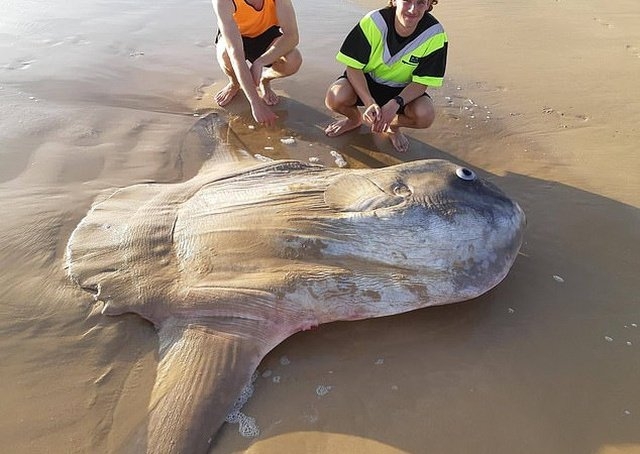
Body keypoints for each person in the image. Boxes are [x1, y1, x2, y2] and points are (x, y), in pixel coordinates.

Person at [324, 0, 447, 152]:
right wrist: (369, 102)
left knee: (425, 115)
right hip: (366, 82)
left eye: (421, 2)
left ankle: (391, 127)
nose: (413, 9)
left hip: (402, 90)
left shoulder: (434, 34)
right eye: (407, 1)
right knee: (334, 97)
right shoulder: (374, 22)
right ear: (394, 1)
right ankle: (354, 119)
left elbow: (421, 83)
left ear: (429, 5)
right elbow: (353, 67)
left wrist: (396, 103)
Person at [212, 0, 302, 127]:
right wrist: (255, 103)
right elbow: (235, 54)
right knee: (225, 54)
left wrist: (260, 63)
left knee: (293, 59)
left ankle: (264, 80)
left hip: (266, 33)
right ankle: (234, 83)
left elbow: (292, 36)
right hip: (237, 35)